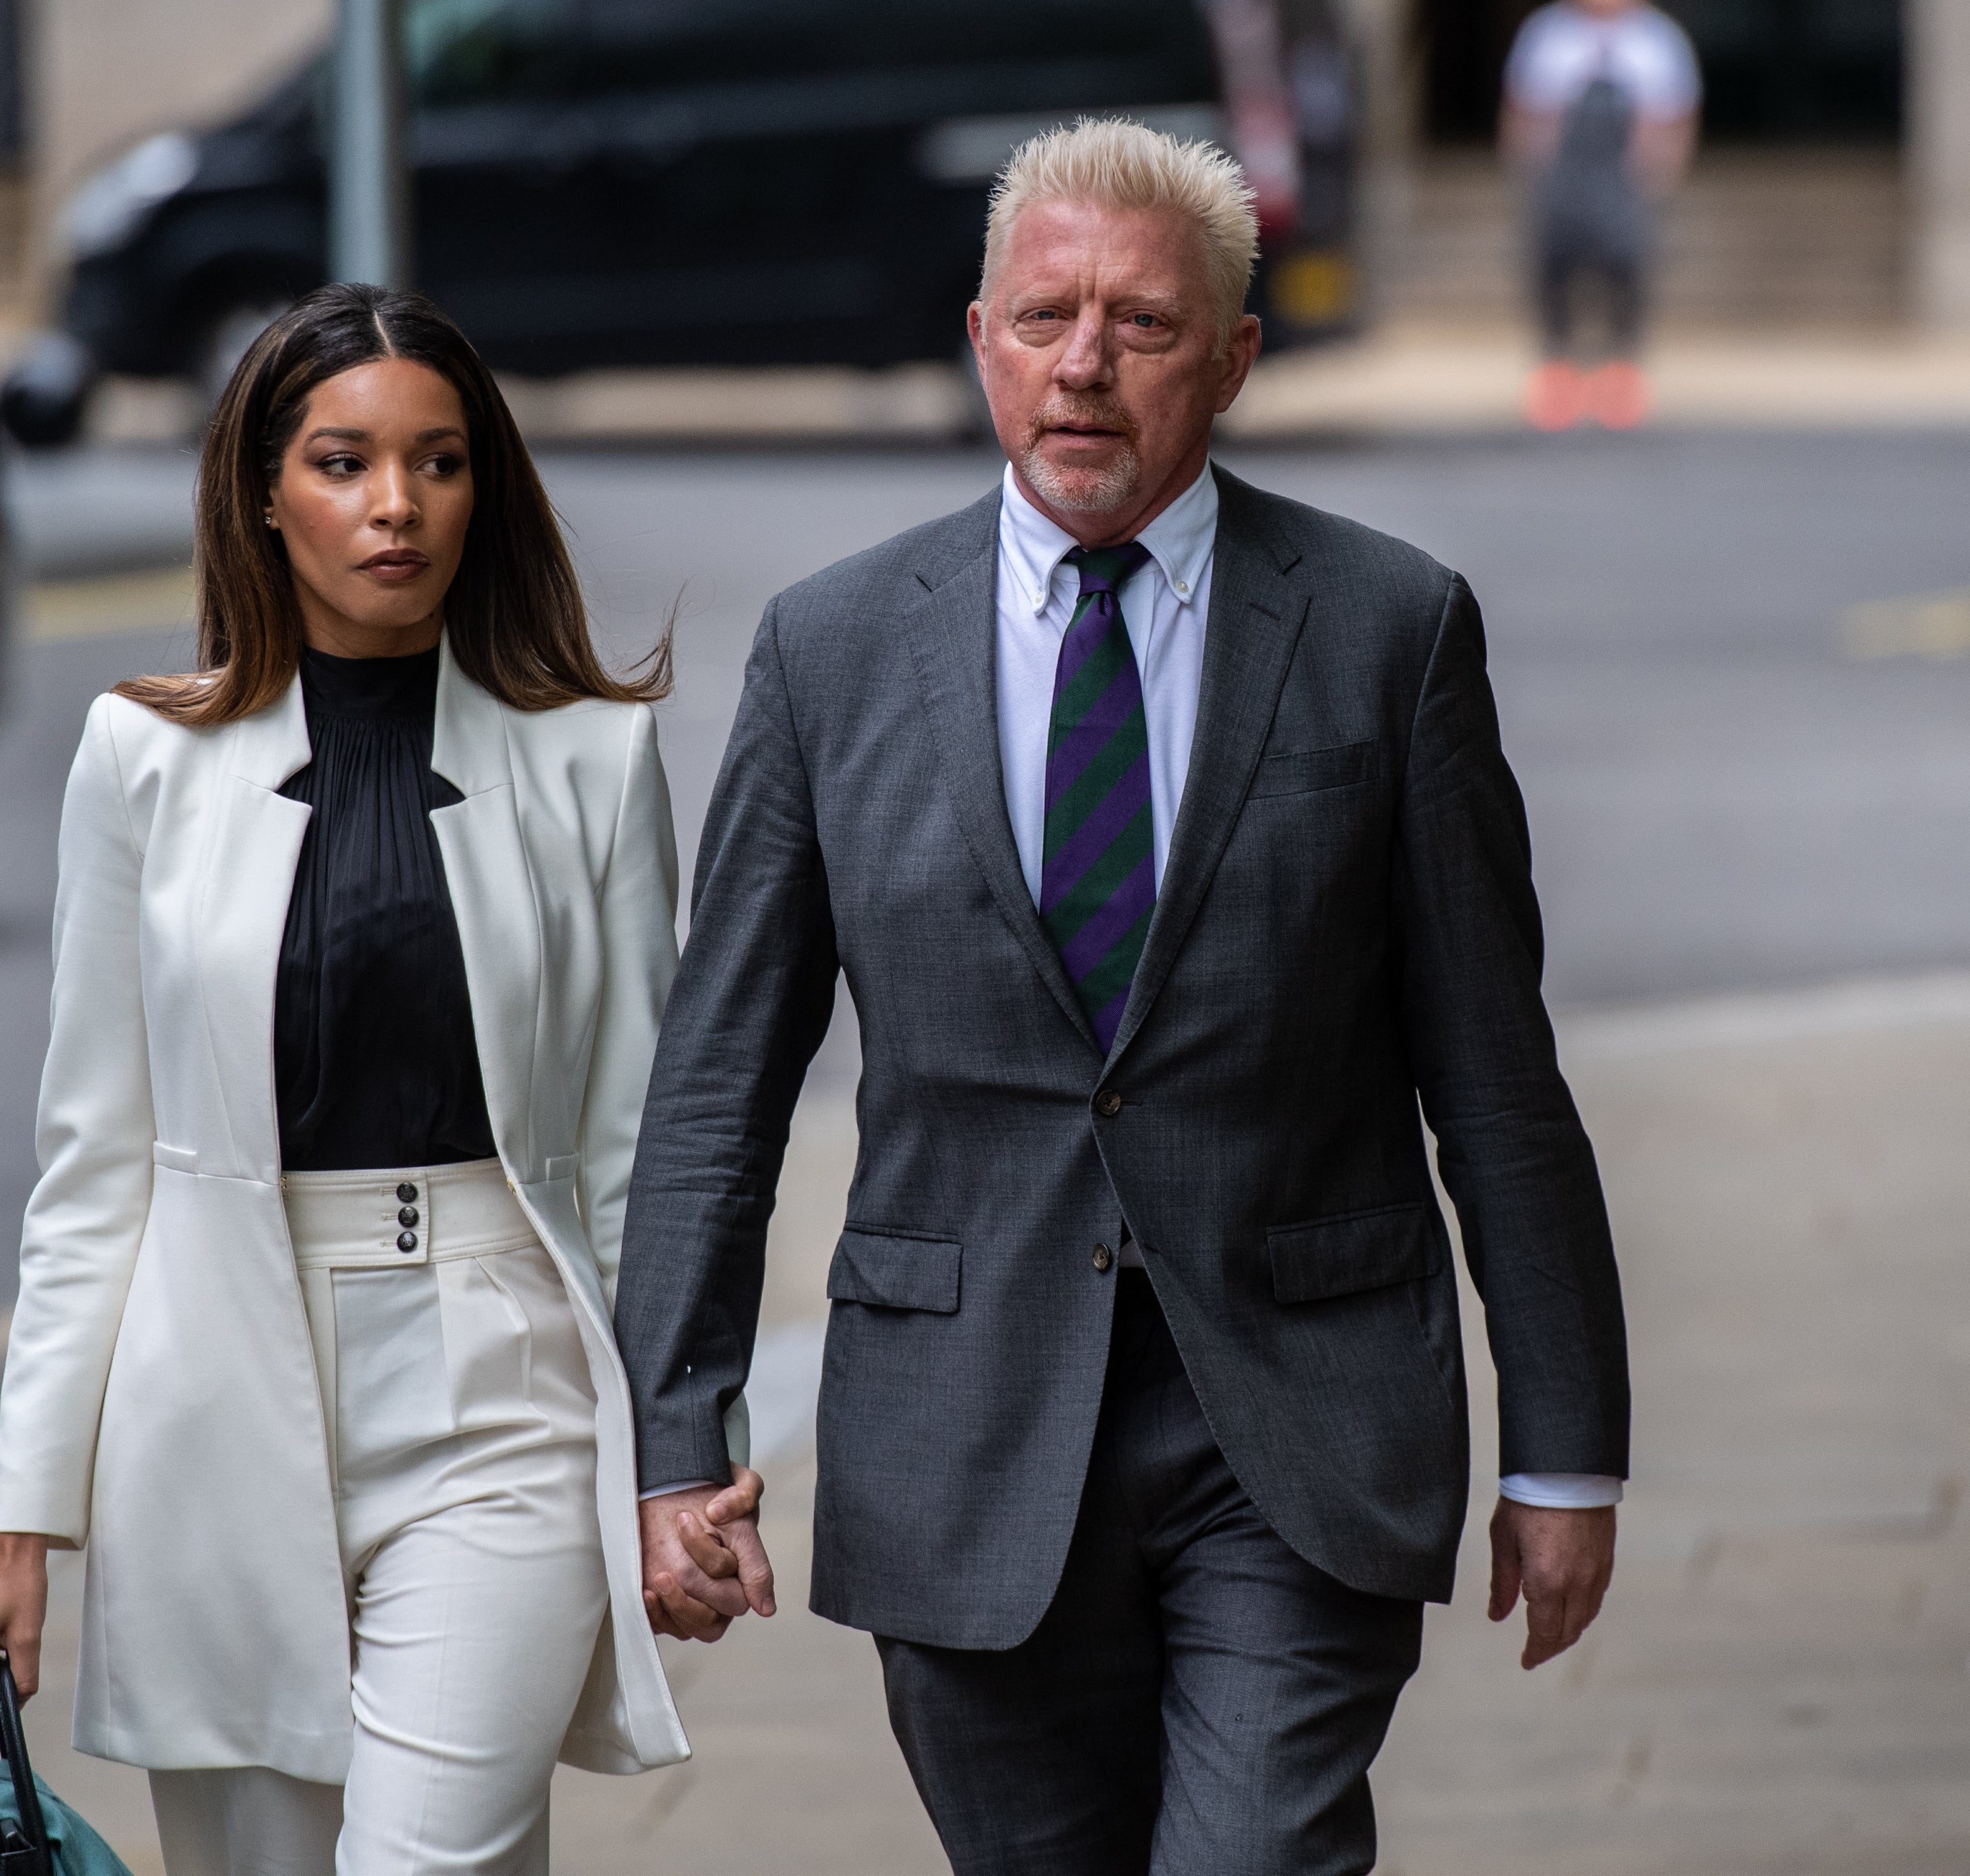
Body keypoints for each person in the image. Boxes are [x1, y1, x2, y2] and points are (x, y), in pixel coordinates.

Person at [612, 120, 1630, 1876]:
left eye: (1145, 326)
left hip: (1298, 1407)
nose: (1084, 363)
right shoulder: (833, 648)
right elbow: (722, 1078)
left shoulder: (1390, 629)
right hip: (966, 1418)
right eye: (1045, 316)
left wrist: (1566, 1446)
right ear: (980, 336)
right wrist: (673, 1429)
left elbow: (1497, 1078)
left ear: (1236, 356)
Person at [0, 283, 757, 1876]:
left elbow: (646, 1142)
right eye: (343, 461)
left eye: (439, 462)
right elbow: (94, 1163)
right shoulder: (139, 758)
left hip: (498, 1382)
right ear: (261, 488)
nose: (396, 504)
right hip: (211, 1401)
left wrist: (678, 1453)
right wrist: (24, 1525)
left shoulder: (591, 753)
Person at [1502, 0, 1702, 430]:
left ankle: (1621, 373)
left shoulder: (1657, 37)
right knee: (1554, 270)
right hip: (1562, 178)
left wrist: (1661, 174)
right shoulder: (1547, 32)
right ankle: (1558, 373)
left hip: (1625, 180)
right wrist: (1531, 171)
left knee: (1627, 270)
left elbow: (1678, 114)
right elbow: (1522, 109)